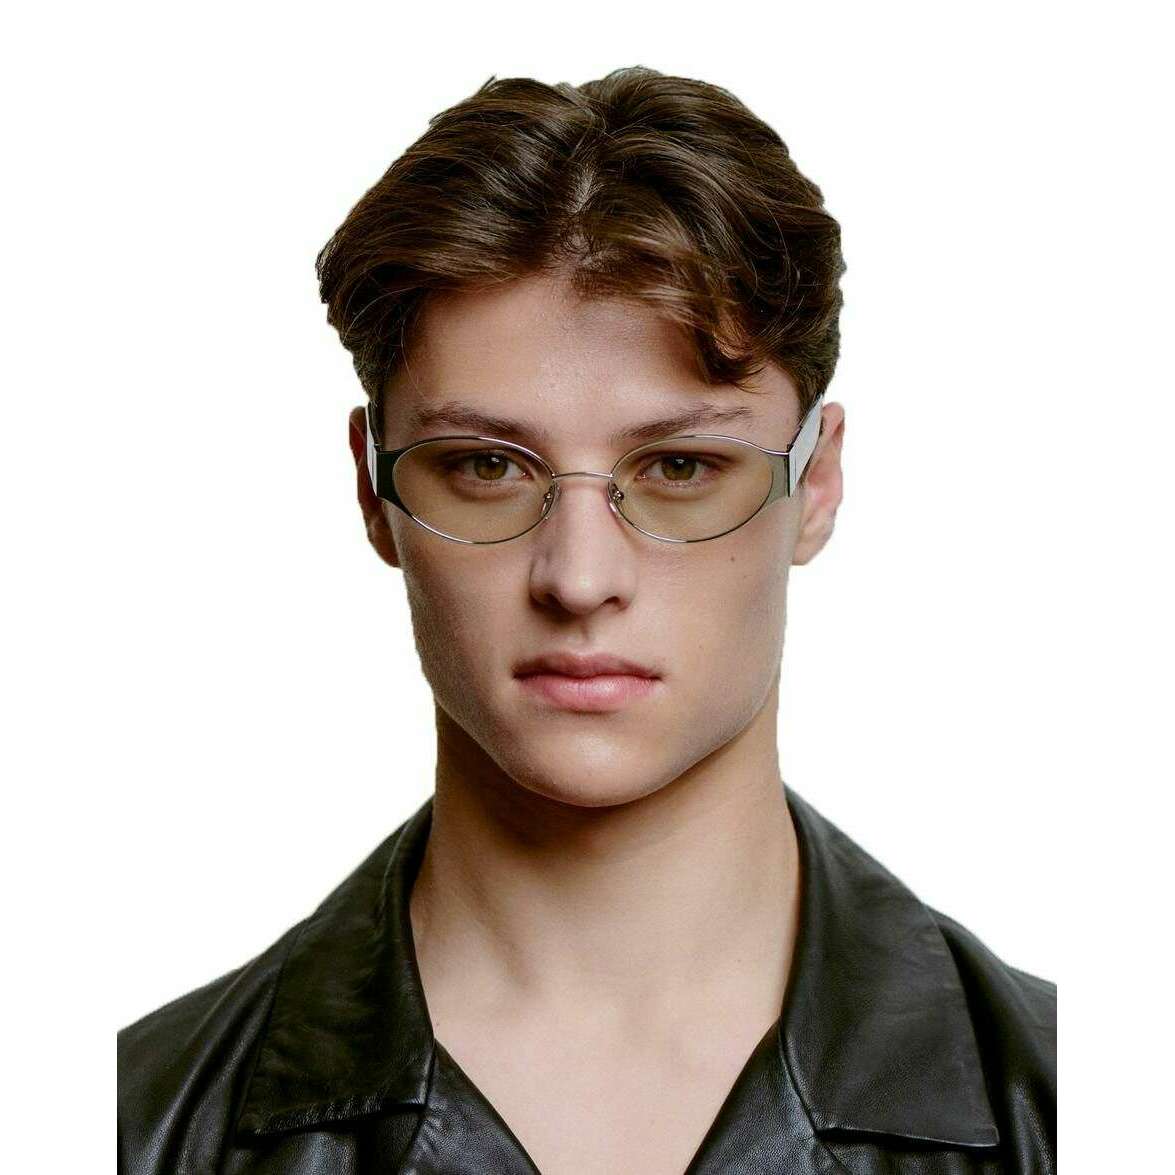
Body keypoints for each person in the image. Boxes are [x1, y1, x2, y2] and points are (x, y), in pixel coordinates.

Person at [117, 66, 1057, 1174]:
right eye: (485, 465)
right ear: (375, 490)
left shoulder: (1080, 1108)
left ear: (816, 483)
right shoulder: (131, 1127)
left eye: (679, 465)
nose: (578, 576)